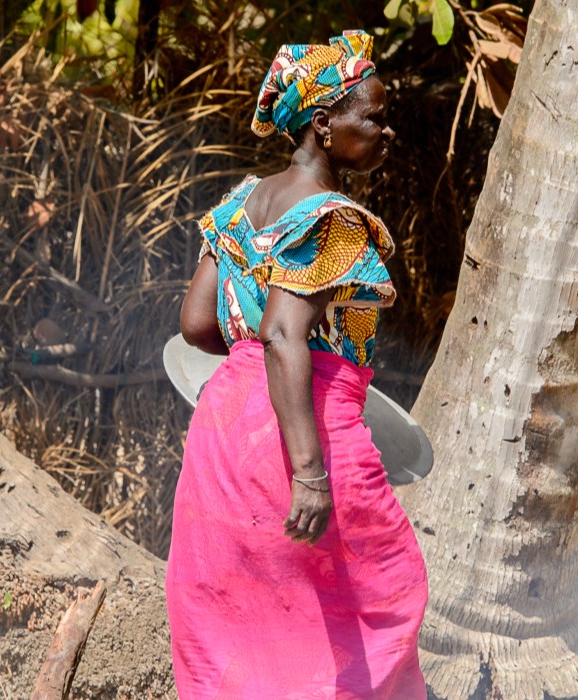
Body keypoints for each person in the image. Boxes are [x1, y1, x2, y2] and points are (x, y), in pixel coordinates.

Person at [166, 29, 428, 699]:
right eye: (374, 117)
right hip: (308, 429)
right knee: (382, 595)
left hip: (226, 433)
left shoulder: (240, 204)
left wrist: (252, 372)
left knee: (248, 618)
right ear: (324, 125)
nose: (387, 131)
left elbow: (196, 324)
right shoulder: (334, 220)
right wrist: (309, 474)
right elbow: (285, 334)